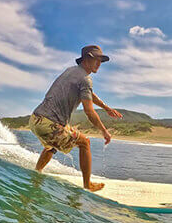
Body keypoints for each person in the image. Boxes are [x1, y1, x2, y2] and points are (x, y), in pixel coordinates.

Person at [29, 45, 122, 192]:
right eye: (96, 59)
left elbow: (89, 93)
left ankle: (37, 172)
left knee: (52, 146)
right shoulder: (85, 79)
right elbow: (89, 111)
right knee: (84, 143)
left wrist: (106, 108)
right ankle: (87, 184)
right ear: (86, 59)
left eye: (101, 61)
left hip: (36, 119)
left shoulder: (71, 71)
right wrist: (104, 131)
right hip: (49, 124)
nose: (99, 63)